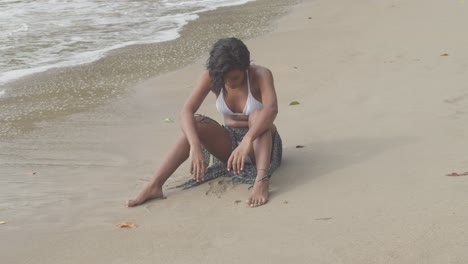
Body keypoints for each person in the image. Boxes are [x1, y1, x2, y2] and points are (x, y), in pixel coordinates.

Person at [127, 37, 282, 208]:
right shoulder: (212, 77)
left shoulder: (260, 74)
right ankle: (155, 185)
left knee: (258, 115)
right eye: (225, 78)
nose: (229, 82)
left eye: (235, 77)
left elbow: (272, 109)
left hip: (262, 145)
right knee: (196, 123)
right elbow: (186, 111)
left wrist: (247, 139)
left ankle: (261, 181)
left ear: (245, 67)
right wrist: (194, 145)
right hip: (230, 145)